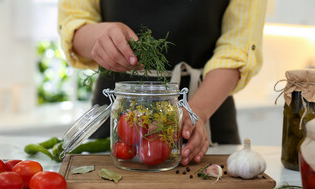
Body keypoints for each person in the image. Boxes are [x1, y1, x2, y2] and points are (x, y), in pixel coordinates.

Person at [57, 0, 268, 166]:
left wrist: (196, 113)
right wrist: (101, 37)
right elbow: (73, 24)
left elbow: (238, 49)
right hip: (119, 114)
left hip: (206, 114)